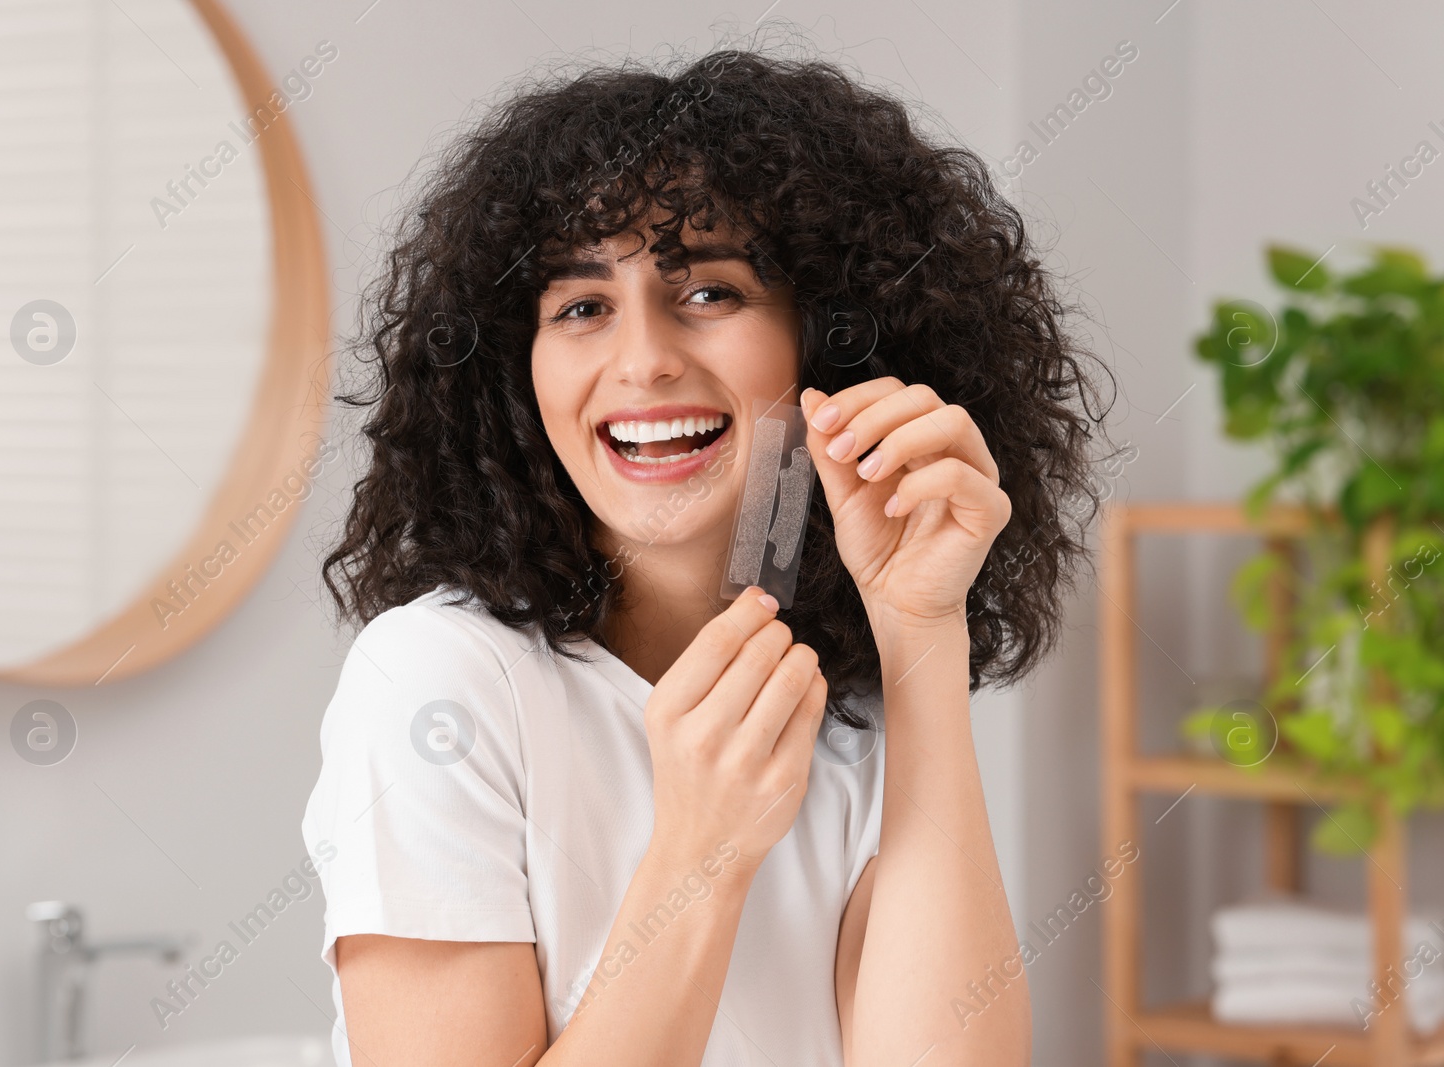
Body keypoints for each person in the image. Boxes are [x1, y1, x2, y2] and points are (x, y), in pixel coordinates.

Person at [302, 44, 1109, 1067]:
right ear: (518, 374)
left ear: (823, 344)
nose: (642, 358)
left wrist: (921, 631)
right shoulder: (438, 681)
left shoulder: (853, 707)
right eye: (582, 306)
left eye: (710, 292)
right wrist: (702, 852)